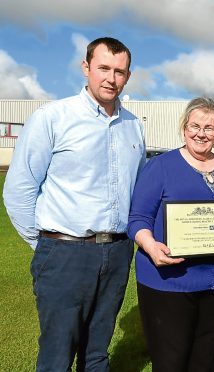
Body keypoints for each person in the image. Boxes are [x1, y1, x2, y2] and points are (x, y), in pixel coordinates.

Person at [3, 37, 145, 371]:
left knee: (97, 352)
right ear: (86, 67)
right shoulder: (52, 117)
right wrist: (45, 246)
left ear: (128, 76)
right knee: (57, 355)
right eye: (103, 68)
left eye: (120, 71)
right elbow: (19, 189)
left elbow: (137, 191)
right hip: (64, 252)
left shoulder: (134, 127)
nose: (111, 78)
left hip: (118, 251)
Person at [127, 97, 214, 372]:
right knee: (171, 363)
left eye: (209, 128)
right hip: (168, 284)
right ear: (184, 128)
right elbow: (137, 220)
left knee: (203, 363)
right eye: (195, 126)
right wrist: (150, 245)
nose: (201, 133)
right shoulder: (161, 166)